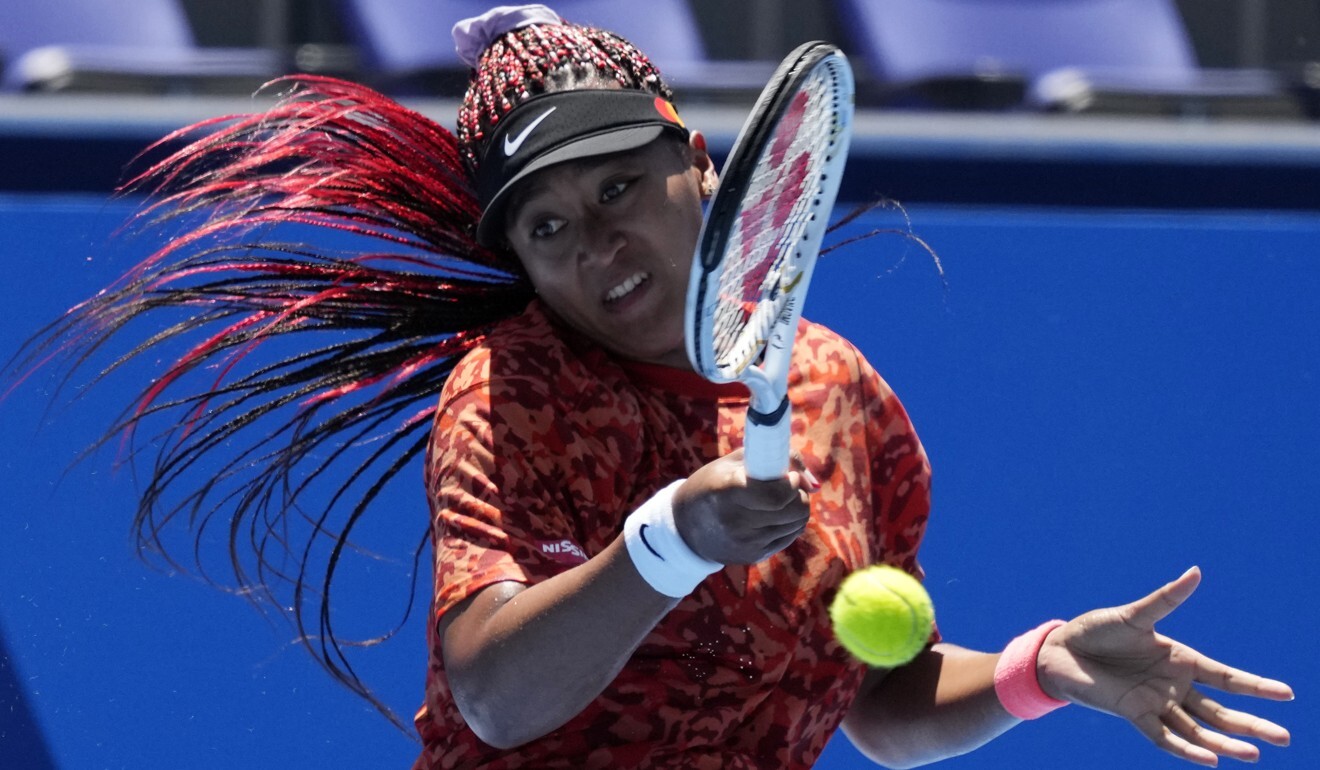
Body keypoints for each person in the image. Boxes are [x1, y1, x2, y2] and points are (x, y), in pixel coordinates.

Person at [11, 4, 1292, 769]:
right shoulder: (511, 395)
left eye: (618, 188)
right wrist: (669, 538)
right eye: (548, 228)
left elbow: (875, 706)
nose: (596, 243)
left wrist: (1039, 668)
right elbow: (501, 698)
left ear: (696, 164)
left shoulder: (843, 397)